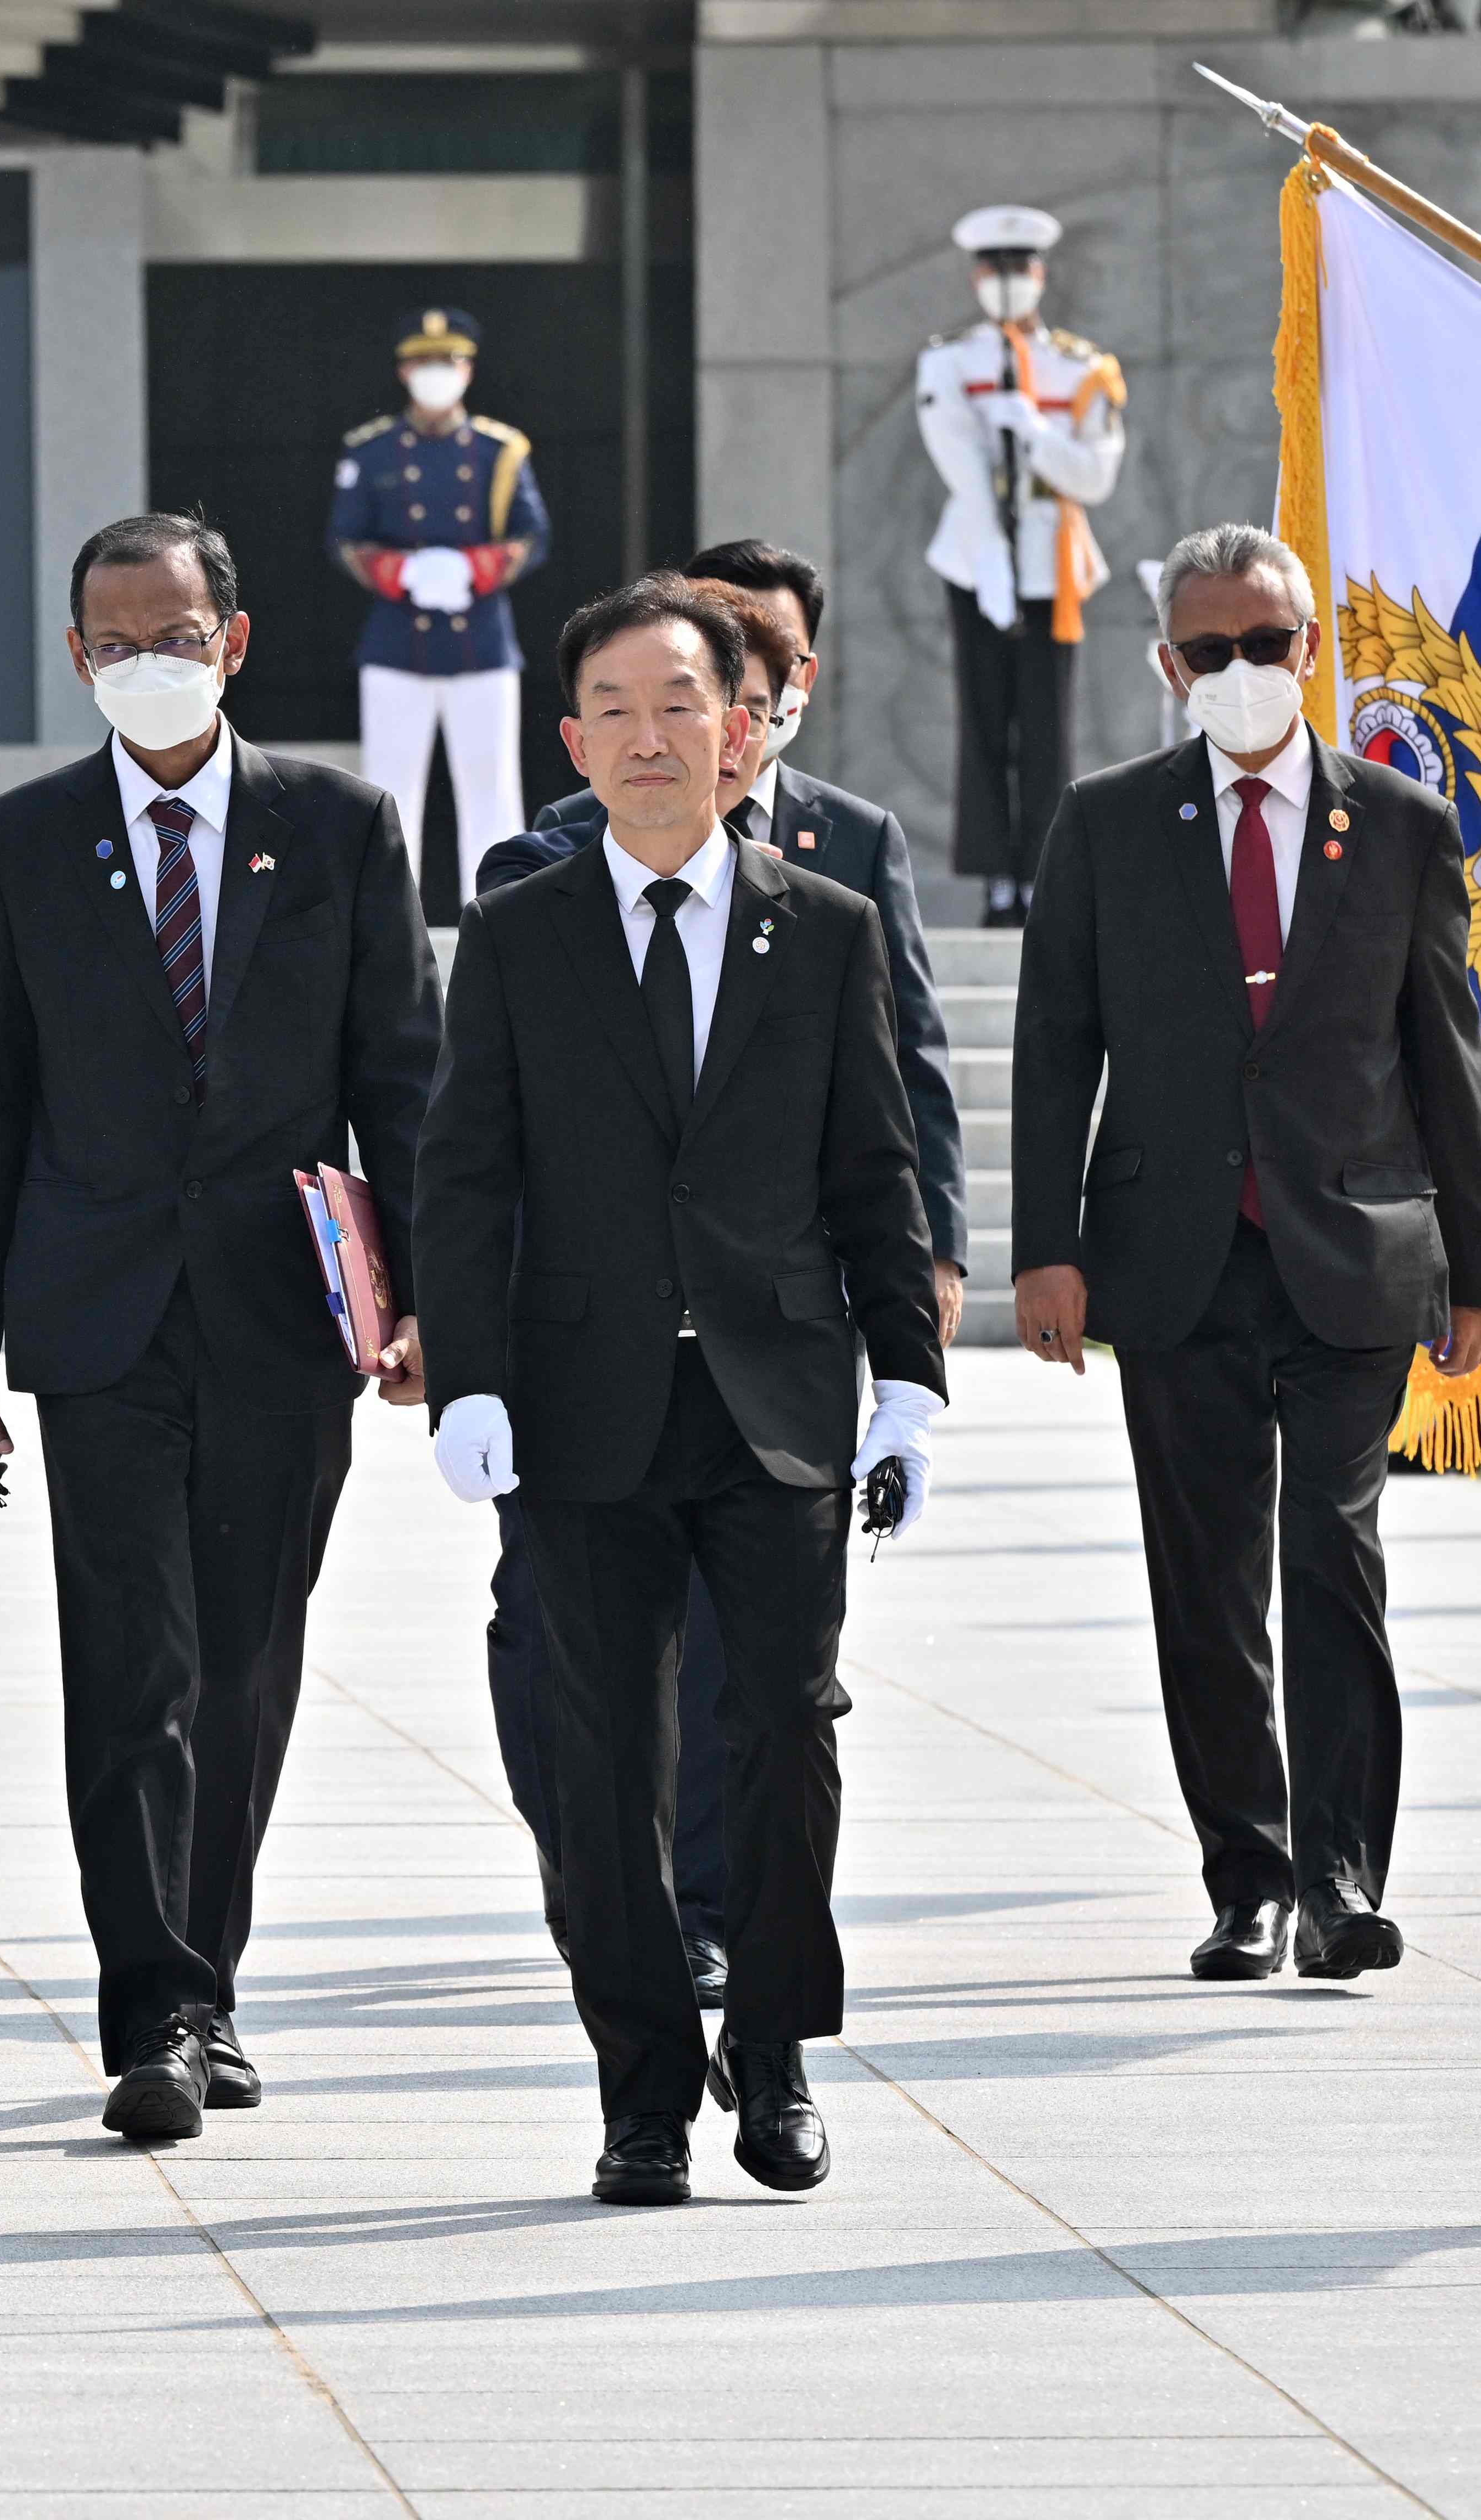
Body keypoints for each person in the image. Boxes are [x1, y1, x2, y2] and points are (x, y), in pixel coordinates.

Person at [423, 575, 945, 2208]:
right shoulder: (518, 932)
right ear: (573, 743)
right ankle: (641, 2087)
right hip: (580, 1414)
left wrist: (910, 1384)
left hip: (777, 1400)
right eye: (615, 712)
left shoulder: (826, 926)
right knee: (604, 1761)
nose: (651, 739)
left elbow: (875, 1175)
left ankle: (775, 2055)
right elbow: (465, 1178)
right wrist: (470, 1380)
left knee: (788, 1728)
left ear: (742, 727)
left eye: (681, 704)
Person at [0, 513, 439, 2143]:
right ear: (79, 657)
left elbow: (403, 1083)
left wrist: (428, 1298)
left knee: (244, 1665)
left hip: (290, 1309)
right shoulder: (20, 841)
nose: (150, 662)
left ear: (237, 640)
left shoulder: (341, 828)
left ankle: (208, 1968)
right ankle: (156, 2003)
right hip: (101, 1315)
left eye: (178, 633)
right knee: (128, 1664)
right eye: (116, 640)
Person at [1012, 522, 1481, 1986]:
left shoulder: (1402, 826)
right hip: (1172, 1254)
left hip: (1354, 1242)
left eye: (1264, 644)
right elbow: (1051, 1047)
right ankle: (1252, 1880)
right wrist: (1045, 1249)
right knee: (1205, 1577)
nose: (1239, 672)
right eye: (1206, 651)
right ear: (1165, 665)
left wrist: (1477, 1266)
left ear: (1312, 649)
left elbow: (1448, 1056)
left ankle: (1344, 1883)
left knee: (1330, 1557)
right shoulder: (1105, 820)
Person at [917, 205, 1127, 925]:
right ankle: (993, 881)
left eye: (1019, 268)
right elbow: (958, 460)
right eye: (994, 269)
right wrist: (991, 558)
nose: (1006, 282)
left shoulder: (1083, 367)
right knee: (982, 721)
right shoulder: (950, 360)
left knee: (1048, 725)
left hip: (1054, 564)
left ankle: (1040, 874)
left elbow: (1095, 477)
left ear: (1040, 276)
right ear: (978, 277)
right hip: (977, 558)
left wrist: (1039, 436)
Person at [331, 307, 547, 904]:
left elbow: (533, 536)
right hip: (397, 643)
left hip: (481, 641)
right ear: (404, 371)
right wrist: (397, 571)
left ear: (468, 370)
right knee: (389, 794)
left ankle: (504, 918)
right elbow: (345, 538)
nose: (435, 373)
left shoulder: (498, 449)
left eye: (446, 362)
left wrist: (476, 569)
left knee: (494, 794)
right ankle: (388, 928)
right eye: (424, 362)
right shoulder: (370, 452)